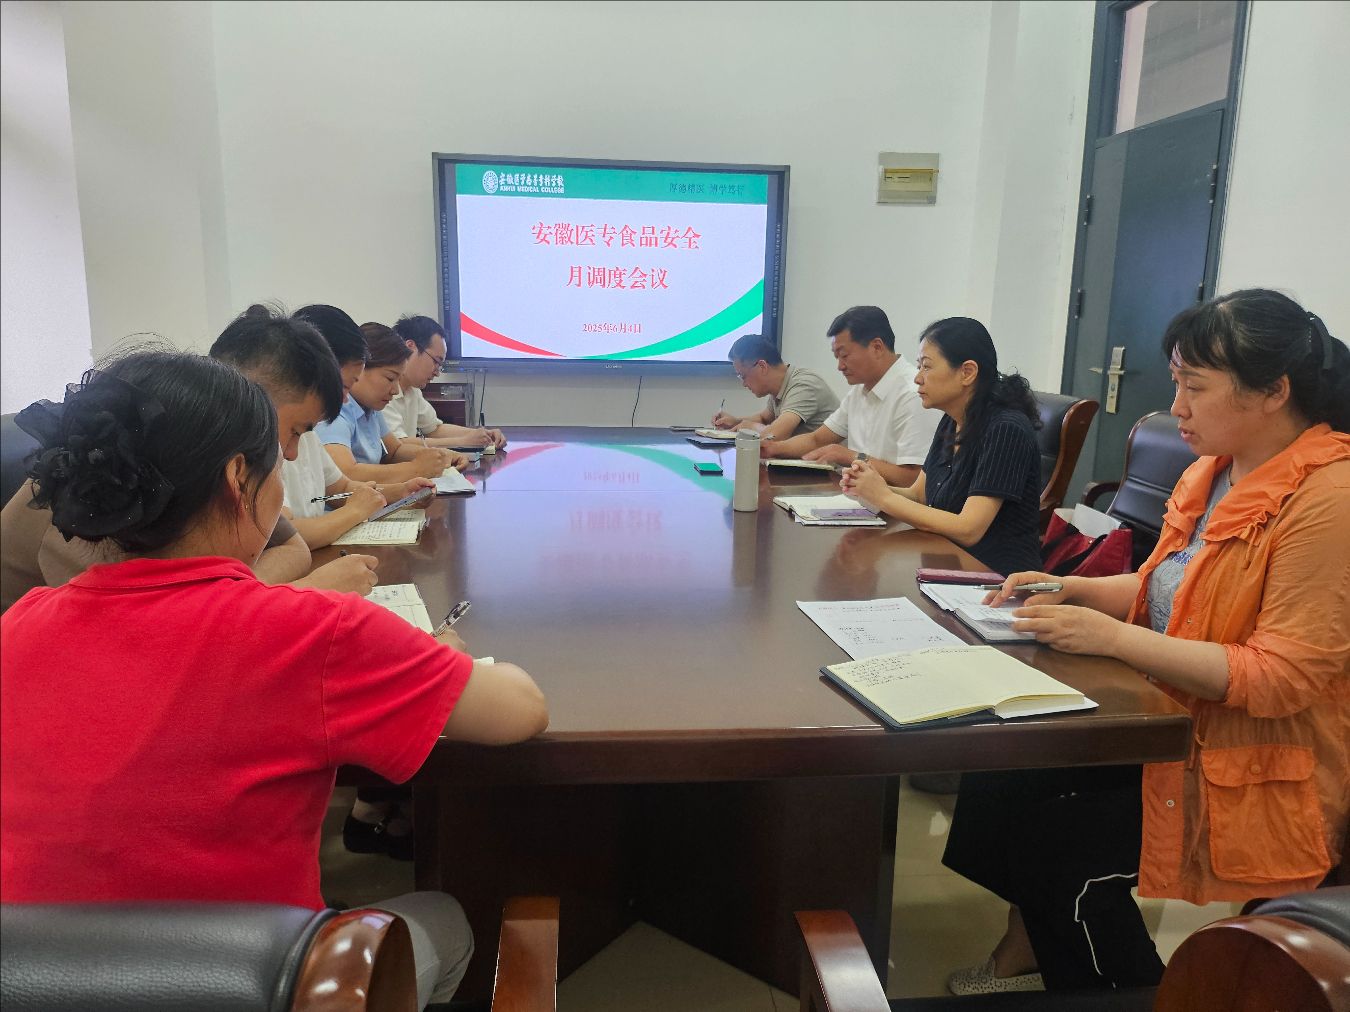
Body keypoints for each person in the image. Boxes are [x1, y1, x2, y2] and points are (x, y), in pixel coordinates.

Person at [0, 351, 549, 1008]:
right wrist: (442, 655)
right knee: (448, 919)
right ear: (240, 478)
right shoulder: (313, 631)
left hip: (36, 980)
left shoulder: (19, 624)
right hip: (255, 983)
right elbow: (521, 708)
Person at [941, 289, 1350, 995]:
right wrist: (1070, 589)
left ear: (1273, 392)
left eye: (1195, 387)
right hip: (1167, 720)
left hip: (1252, 761)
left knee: (1058, 848)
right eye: (1175, 383)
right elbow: (1165, 587)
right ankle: (1035, 949)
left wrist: (1111, 639)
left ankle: (1134, 993)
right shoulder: (1211, 471)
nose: (1176, 407)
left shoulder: (1328, 500)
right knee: (1000, 773)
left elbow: (1279, 677)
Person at [0, 306, 378, 609]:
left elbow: (292, 548)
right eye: (293, 430)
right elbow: (148, 629)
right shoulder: (102, 485)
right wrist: (297, 595)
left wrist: (227, 596)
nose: (290, 454)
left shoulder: (217, 469)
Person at [841, 318, 1042, 576]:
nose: (917, 378)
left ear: (967, 372)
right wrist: (869, 487)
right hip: (947, 563)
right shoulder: (952, 420)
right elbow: (919, 496)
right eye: (918, 367)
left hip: (996, 578)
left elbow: (969, 530)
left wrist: (883, 497)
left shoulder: (1006, 429)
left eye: (926, 367)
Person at [282, 305, 434, 549]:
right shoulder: (274, 436)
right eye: (343, 386)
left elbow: (340, 487)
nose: (344, 400)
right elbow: (287, 537)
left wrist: (399, 493)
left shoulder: (308, 432)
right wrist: (355, 511)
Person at [760, 306, 940, 487]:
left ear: (877, 347)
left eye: (844, 355)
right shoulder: (860, 390)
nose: (840, 366)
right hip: (857, 495)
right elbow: (817, 439)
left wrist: (852, 456)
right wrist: (773, 448)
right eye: (837, 357)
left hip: (891, 502)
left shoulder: (913, 394)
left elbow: (915, 478)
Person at [314, 322, 468, 484]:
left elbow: (394, 450)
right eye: (390, 378)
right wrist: (415, 469)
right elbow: (345, 473)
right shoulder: (336, 410)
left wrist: (441, 456)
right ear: (360, 368)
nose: (395, 390)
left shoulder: (370, 407)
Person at [387, 315, 506, 452]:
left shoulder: (412, 390)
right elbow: (398, 444)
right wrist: (463, 442)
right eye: (436, 361)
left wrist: (482, 434)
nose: (437, 372)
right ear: (410, 347)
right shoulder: (383, 391)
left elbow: (434, 429)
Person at [710, 333, 840, 440]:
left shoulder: (804, 385)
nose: (744, 384)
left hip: (829, 464)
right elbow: (764, 418)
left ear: (762, 366)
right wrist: (735, 422)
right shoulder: (780, 386)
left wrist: (751, 428)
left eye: (743, 376)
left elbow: (774, 436)